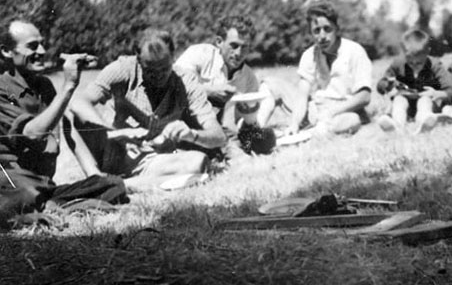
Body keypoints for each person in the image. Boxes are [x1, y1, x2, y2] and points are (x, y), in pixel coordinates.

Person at [0, 18, 127, 223]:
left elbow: (67, 125)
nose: (41, 51)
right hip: (12, 181)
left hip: (42, 184)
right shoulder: (2, 89)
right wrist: (68, 86)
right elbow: (32, 133)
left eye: (41, 44)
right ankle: (38, 207)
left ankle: (46, 205)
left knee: (113, 185)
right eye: (32, 46)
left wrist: (94, 174)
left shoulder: (44, 86)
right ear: (6, 51)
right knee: (21, 192)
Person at [69, 28, 225, 191]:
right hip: (112, 150)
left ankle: (118, 186)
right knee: (70, 117)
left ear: (173, 58)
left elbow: (218, 136)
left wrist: (192, 135)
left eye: (164, 69)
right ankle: (95, 178)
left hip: (151, 160)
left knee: (198, 162)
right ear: (138, 61)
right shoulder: (122, 69)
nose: (158, 77)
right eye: (150, 71)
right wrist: (116, 133)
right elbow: (79, 102)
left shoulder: (186, 82)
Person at [174, 15, 276, 154]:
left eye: (244, 47)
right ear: (219, 42)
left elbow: (240, 125)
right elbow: (174, 86)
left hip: (217, 130)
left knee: (266, 139)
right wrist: (209, 91)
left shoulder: (248, 78)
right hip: (183, 124)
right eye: (234, 46)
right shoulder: (199, 54)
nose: (239, 53)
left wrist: (249, 117)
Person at [287, 2, 373, 136]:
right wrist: (294, 123)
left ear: (337, 29)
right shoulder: (309, 55)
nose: (322, 36)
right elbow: (302, 95)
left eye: (327, 29)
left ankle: (316, 132)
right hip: (316, 109)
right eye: (316, 31)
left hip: (344, 110)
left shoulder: (355, 51)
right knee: (270, 84)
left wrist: (332, 112)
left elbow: (364, 96)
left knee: (353, 120)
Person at [376, 28, 452, 134]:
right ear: (404, 54)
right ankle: (397, 127)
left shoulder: (435, 65)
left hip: (429, 104)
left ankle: (423, 124)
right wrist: (388, 85)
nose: (414, 66)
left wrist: (436, 93)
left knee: (424, 100)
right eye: (410, 62)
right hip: (408, 105)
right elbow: (381, 84)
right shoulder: (398, 64)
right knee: (399, 100)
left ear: (427, 52)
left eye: (419, 63)